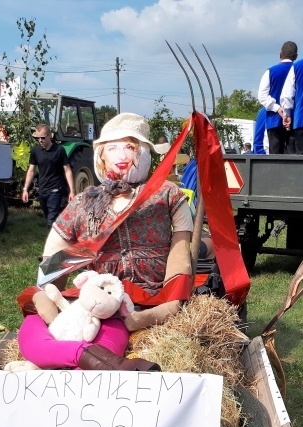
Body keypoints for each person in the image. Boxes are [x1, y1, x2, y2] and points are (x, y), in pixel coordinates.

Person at [17, 112, 194, 371]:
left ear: (145, 152)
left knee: (109, 339)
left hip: (137, 300)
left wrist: (170, 304)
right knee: (31, 326)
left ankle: (66, 359)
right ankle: (68, 354)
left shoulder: (166, 194)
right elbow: (57, 250)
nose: (122, 155)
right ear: (101, 155)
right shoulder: (86, 201)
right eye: (113, 148)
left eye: (130, 147)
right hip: (94, 298)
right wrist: (47, 291)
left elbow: (181, 248)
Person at [22, 123, 75, 225]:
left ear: (50, 136)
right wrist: (25, 189)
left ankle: (53, 233)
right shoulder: (36, 151)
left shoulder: (59, 150)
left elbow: (67, 171)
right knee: (48, 217)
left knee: (51, 221)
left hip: (55, 190)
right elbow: (31, 171)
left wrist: (72, 191)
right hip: (42, 191)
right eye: (38, 138)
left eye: (42, 138)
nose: (40, 140)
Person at [257, 40, 297, 154]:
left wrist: (276, 108)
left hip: (273, 120)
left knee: (275, 157)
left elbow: (262, 96)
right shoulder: (298, 70)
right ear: (296, 56)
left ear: (280, 54)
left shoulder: (270, 71)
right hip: (294, 120)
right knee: (294, 157)